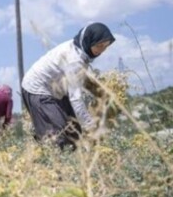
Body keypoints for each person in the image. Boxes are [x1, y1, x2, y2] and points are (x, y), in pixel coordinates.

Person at [21, 22, 115, 150]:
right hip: (38, 89)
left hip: (57, 89)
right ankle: (45, 163)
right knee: (57, 135)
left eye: (105, 46)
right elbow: (76, 99)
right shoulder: (75, 60)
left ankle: (73, 166)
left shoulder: (79, 49)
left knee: (74, 133)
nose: (101, 51)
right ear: (89, 41)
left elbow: (79, 78)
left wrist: (101, 93)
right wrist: (91, 127)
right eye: (99, 45)